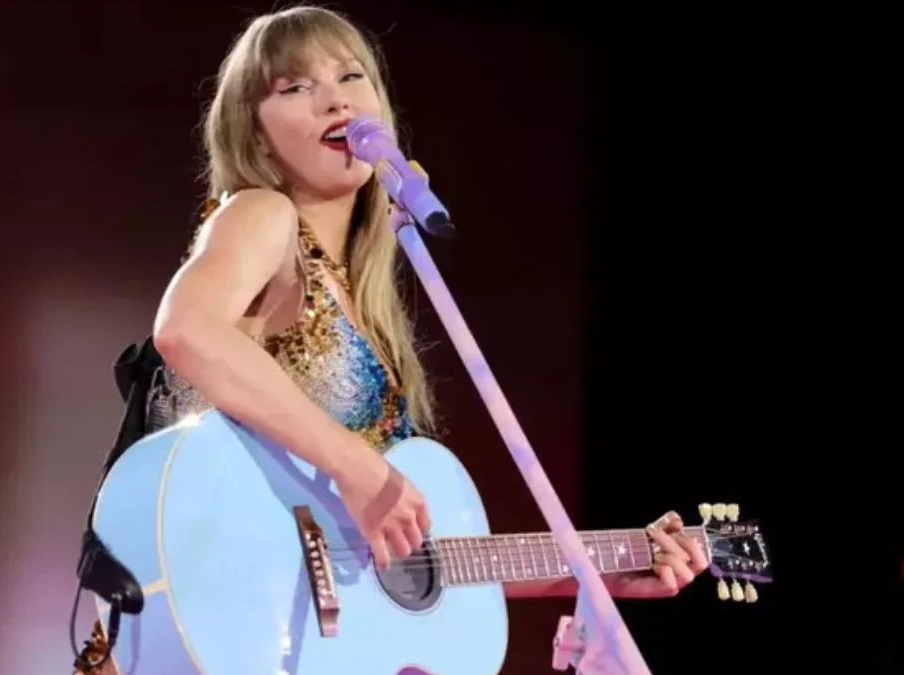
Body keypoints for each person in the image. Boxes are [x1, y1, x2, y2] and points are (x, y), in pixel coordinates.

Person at [73, 5, 707, 673]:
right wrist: (356, 463)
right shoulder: (264, 214)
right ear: (256, 139)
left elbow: (400, 560)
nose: (335, 99)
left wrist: (601, 570)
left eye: (351, 76)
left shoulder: (366, 296)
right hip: (218, 620)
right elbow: (186, 328)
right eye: (294, 87)